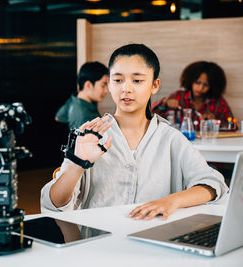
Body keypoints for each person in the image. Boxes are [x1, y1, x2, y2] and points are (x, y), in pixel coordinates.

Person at [41, 44, 227, 220]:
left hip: (155, 245)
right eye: (117, 80)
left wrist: (172, 200)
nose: (126, 88)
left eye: (137, 80)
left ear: (155, 85)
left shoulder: (171, 138)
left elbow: (213, 184)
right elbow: (54, 203)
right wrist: (77, 163)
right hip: (99, 245)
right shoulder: (90, 137)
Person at [152, 61, 234, 128]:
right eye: (198, 82)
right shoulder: (178, 96)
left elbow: (233, 126)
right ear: (190, 80)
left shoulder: (218, 102)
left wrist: (215, 121)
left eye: (206, 85)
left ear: (212, 86)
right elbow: (150, 117)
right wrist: (164, 104)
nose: (200, 88)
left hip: (208, 145)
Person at [55, 61, 109, 130]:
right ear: (88, 85)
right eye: (103, 86)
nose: (106, 91)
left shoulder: (74, 98)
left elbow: (58, 117)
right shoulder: (84, 118)